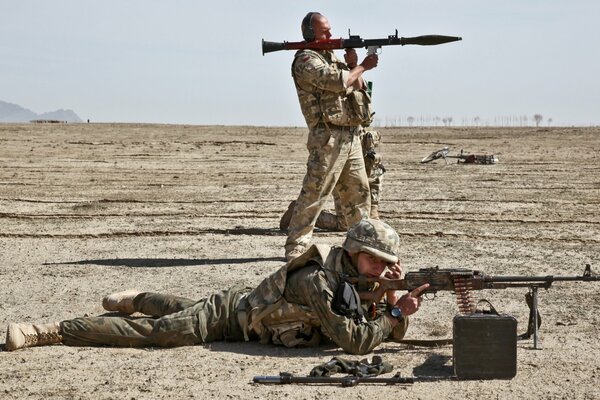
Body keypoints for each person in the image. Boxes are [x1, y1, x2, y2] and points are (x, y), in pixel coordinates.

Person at [5, 219, 428, 355]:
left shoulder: (355, 278)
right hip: (230, 316)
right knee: (163, 333)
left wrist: (391, 294)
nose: (380, 268)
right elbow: (354, 342)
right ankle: (53, 331)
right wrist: (393, 312)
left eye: (387, 264)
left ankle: (137, 298)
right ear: (353, 250)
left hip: (246, 319)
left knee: (177, 309)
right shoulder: (318, 278)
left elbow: (382, 325)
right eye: (375, 260)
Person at [284, 12, 379, 261]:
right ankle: (297, 247)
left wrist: (353, 66)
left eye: (329, 30)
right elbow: (336, 82)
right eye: (324, 31)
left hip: (350, 136)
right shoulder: (306, 60)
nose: (330, 35)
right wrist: (361, 66)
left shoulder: (331, 57)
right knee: (315, 194)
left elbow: (356, 89)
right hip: (328, 138)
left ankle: (362, 246)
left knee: (359, 194)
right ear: (310, 34)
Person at [280, 126, 385, 232]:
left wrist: (374, 210)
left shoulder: (370, 154)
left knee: (356, 222)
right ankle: (300, 213)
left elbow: (375, 176)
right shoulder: (350, 144)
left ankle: (301, 213)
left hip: (350, 159)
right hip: (342, 168)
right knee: (345, 224)